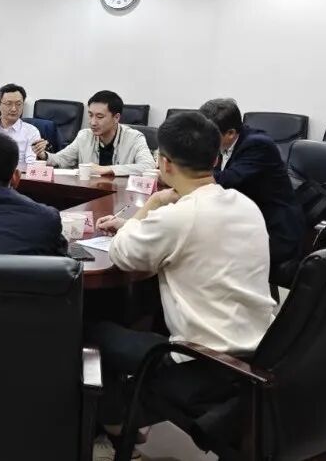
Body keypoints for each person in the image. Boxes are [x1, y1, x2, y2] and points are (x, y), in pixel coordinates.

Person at [90, 112, 276, 456]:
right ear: (216, 159)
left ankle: (118, 422)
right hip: (262, 353)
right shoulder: (247, 205)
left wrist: (151, 205)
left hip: (203, 363)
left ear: (164, 163)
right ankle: (133, 413)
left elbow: (122, 253)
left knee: (92, 330)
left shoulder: (178, 217)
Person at [199, 98, 305, 269]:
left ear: (230, 133)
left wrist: (186, 177)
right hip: (240, 224)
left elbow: (228, 179)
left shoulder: (258, 145)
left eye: (208, 135)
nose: (203, 140)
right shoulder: (221, 144)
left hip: (273, 231)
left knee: (206, 254)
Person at [36, 90, 154, 176]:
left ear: (116, 117)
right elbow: (62, 159)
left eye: (100, 117)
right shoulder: (84, 136)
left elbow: (149, 166)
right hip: (89, 192)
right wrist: (44, 155)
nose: (93, 122)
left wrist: (107, 169)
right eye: (90, 115)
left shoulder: (134, 138)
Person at [0, 83, 41, 163]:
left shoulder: (31, 132)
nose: (14, 109)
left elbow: (31, 163)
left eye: (18, 104)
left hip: (19, 170)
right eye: (9, 104)